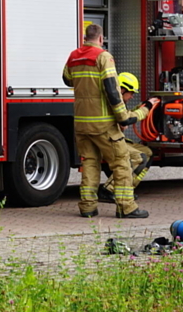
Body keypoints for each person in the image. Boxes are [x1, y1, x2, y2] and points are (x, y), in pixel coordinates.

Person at [62, 24, 148, 219]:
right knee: (121, 162)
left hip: (82, 124)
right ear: (101, 39)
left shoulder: (74, 56)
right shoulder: (103, 57)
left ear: (86, 37)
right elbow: (112, 89)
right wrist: (122, 117)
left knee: (90, 164)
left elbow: (67, 79)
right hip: (103, 124)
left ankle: (88, 207)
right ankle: (126, 207)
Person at [98, 71, 156, 204]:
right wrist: (147, 107)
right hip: (107, 140)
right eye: (131, 92)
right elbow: (126, 120)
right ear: (122, 89)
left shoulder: (117, 100)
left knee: (148, 153)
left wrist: (141, 106)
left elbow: (125, 116)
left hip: (113, 138)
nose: (132, 96)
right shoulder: (113, 101)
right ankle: (109, 190)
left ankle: (126, 190)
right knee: (138, 157)